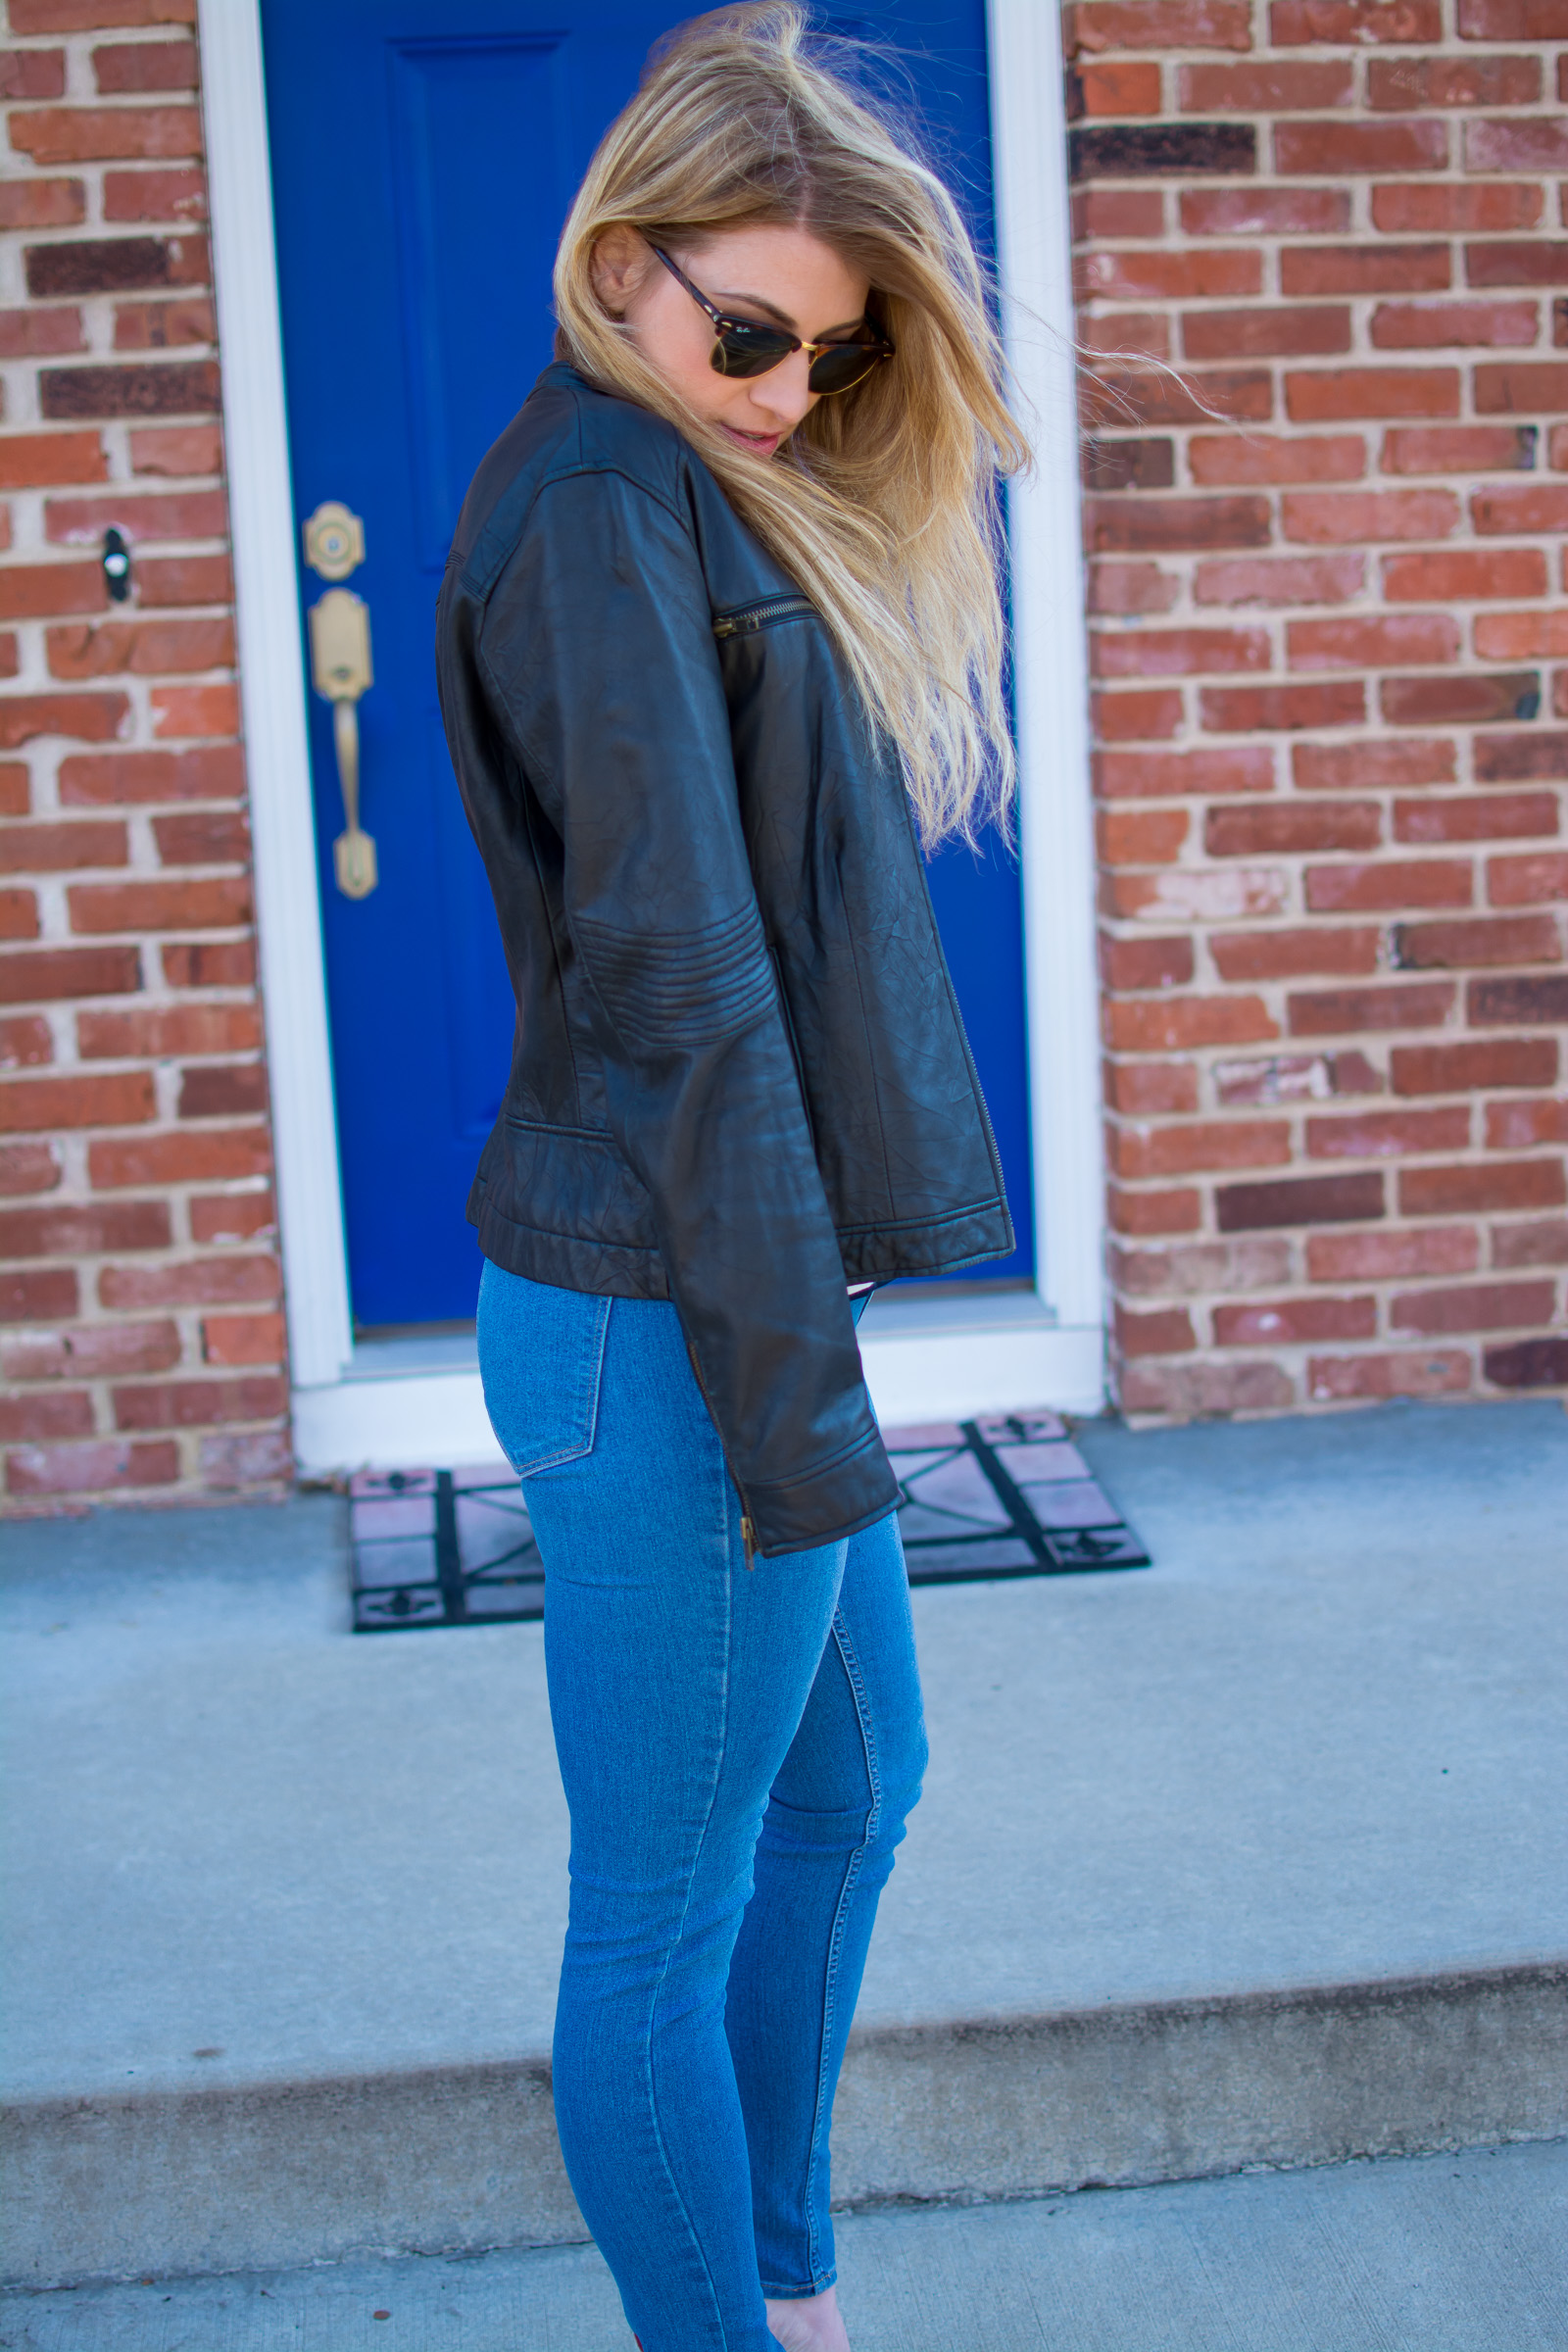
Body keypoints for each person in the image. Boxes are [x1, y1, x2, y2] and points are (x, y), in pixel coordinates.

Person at [435, 8, 1027, 2345]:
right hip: (663, 1322)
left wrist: (808, 1371)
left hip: (731, 1305)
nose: (787, 392)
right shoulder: (593, 502)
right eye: (751, 331)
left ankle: (780, 2293)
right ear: (620, 258)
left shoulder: (671, 483)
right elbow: (679, 984)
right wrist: (791, 1409)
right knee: (659, 1917)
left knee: (850, 1789)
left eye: (830, 355)